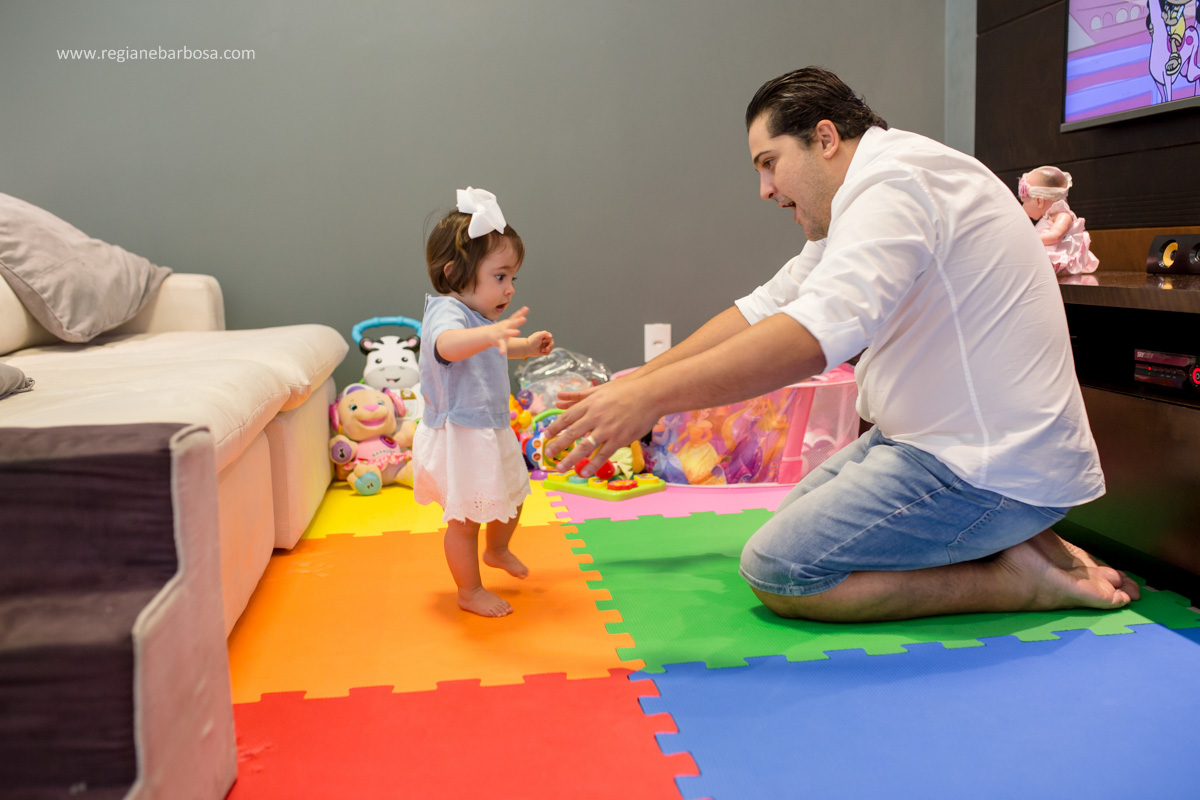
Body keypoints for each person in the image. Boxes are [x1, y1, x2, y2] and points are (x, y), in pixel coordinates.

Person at [545, 66, 1139, 623]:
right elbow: (763, 309)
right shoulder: (871, 190)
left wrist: (652, 400)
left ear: (825, 138)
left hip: (980, 465)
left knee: (782, 569)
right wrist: (635, 385)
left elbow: (811, 337)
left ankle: (1018, 580)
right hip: (932, 444)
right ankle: (1018, 539)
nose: (765, 189)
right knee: (796, 524)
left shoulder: (895, 184)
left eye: (770, 163)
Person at [413, 187, 555, 617]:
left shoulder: (479, 319)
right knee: (465, 521)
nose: (509, 289)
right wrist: (490, 334)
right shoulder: (446, 312)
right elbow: (449, 345)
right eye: (500, 277)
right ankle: (469, 591)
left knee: (515, 493)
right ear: (455, 273)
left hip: (490, 427)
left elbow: (490, 347)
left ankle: (497, 550)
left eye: (513, 279)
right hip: (461, 433)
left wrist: (524, 346)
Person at [1018, 166, 1099, 276]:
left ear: (1039, 202)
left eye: (1024, 202)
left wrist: (1031, 238)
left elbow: (1055, 236)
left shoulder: (1063, 216)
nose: (1022, 207)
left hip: (1058, 255)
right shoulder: (1047, 218)